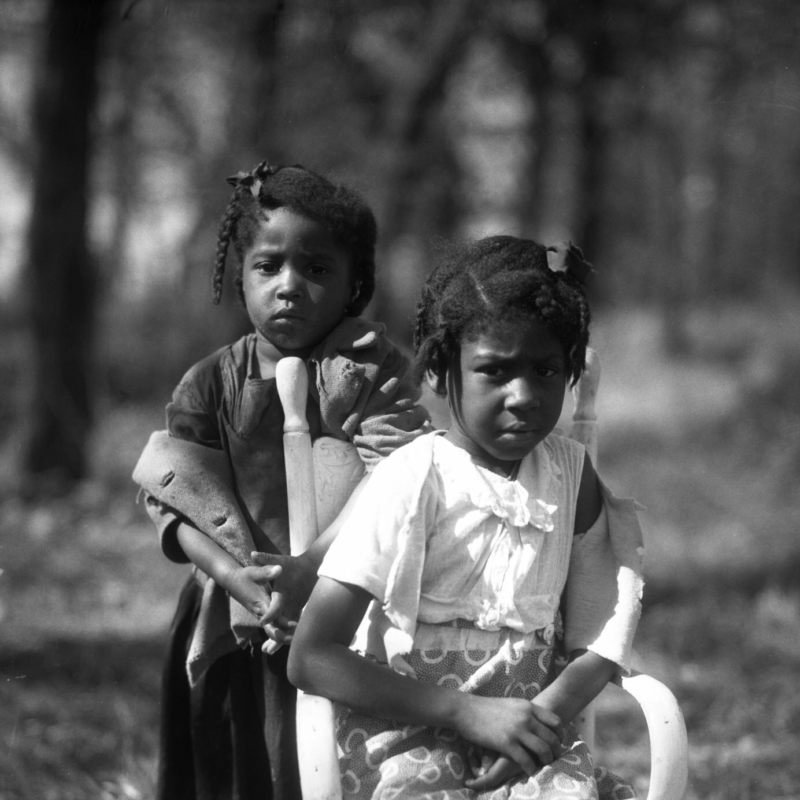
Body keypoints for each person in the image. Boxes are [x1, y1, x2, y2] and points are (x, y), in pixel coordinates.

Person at [288, 235, 644, 799]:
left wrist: (542, 721)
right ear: (436, 370)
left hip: (533, 740)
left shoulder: (570, 477)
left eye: (547, 370)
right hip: (408, 739)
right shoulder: (411, 478)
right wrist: (464, 712)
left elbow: (602, 633)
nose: (524, 394)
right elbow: (312, 658)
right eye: (496, 372)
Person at [132, 161, 430, 800]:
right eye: (269, 267)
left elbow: (400, 480)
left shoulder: (376, 374)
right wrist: (241, 580)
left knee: (333, 767)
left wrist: (313, 574)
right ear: (239, 278)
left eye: (317, 269)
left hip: (344, 616)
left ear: (355, 284)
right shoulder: (212, 381)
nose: (289, 286)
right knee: (235, 767)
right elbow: (171, 498)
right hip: (233, 610)